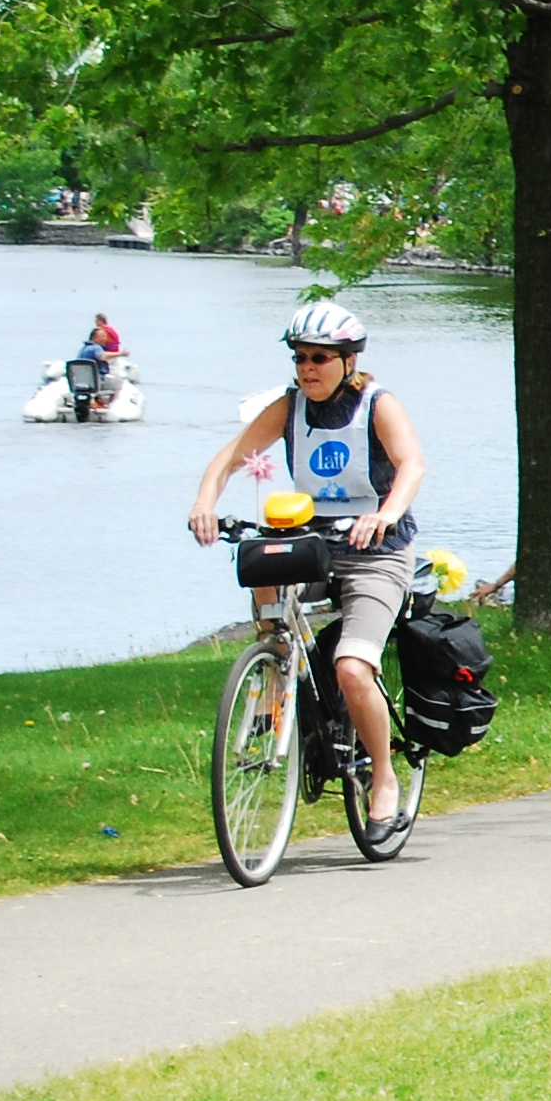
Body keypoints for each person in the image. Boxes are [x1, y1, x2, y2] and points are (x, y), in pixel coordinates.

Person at [185, 302, 429, 829]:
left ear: (347, 360)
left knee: (351, 667)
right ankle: (275, 677)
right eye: (299, 358)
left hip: (376, 549)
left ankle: (383, 777)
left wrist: (384, 515)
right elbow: (229, 458)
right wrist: (205, 503)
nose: (307, 369)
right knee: (264, 567)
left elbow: (412, 464)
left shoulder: (376, 404)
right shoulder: (289, 407)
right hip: (314, 542)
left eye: (319, 358)